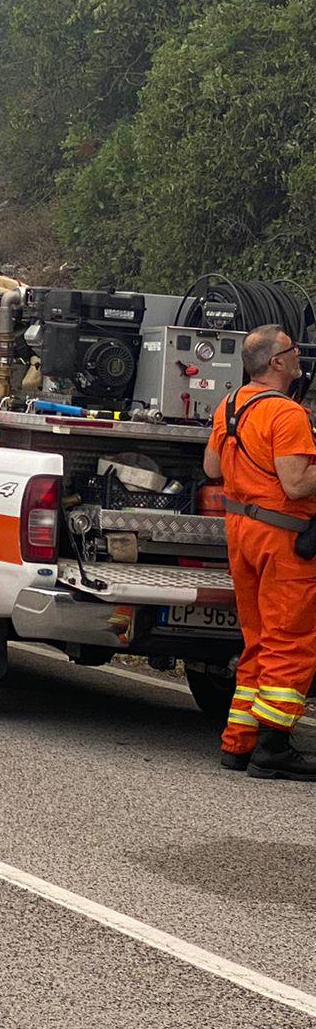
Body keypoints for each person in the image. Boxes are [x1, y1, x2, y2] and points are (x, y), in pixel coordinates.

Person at [204, 323, 316, 779]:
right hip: (283, 539)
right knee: (289, 639)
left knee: (258, 638)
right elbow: (295, 484)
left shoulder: (229, 405)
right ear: (276, 361)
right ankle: (274, 747)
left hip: (243, 534)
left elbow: (212, 466)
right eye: (292, 350)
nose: (298, 356)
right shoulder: (286, 414)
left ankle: (238, 743)